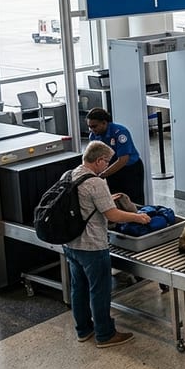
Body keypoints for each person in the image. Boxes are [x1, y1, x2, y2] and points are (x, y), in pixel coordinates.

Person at [64, 141, 150, 348]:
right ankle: (105, 334)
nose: (107, 166)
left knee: (79, 288)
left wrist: (106, 199)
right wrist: (137, 218)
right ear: (100, 160)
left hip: (71, 243)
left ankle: (83, 330)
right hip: (92, 246)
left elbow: (83, 204)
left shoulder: (69, 175)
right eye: (107, 162)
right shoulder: (96, 182)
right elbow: (112, 215)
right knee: (99, 290)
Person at [85, 107, 145, 205]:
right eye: (89, 127)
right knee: (115, 200)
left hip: (129, 169)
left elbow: (123, 160)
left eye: (94, 126)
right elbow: (94, 157)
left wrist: (103, 174)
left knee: (133, 202)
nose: (92, 130)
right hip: (111, 170)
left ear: (104, 123)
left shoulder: (120, 133)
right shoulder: (94, 136)